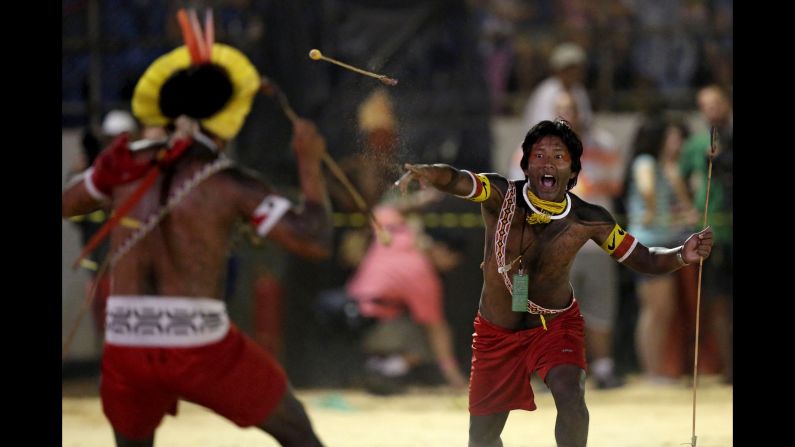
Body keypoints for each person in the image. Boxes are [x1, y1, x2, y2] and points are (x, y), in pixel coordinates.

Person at [62, 17, 330, 447]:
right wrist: (309, 164)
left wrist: (101, 172)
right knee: (299, 435)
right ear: (229, 115)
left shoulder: (127, 166)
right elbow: (312, 239)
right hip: (200, 346)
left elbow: (68, 203)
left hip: (125, 343)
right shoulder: (227, 182)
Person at [395, 119, 713, 447]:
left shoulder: (589, 218)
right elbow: (459, 180)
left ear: (573, 171)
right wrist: (430, 173)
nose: (547, 163)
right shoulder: (500, 195)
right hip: (496, 333)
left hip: (554, 326)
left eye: (558, 157)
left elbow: (642, 258)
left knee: (570, 394)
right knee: (482, 440)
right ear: (526, 165)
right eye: (538, 156)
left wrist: (680, 254)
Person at [344, 204, 469, 394]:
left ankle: (375, 365)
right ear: (442, 250)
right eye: (453, 260)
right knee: (427, 340)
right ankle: (378, 370)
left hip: (347, 309)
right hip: (369, 321)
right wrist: (452, 374)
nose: (451, 267)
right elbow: (436, 329)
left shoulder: (399, 234)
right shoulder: (423, 275)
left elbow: (382, 211)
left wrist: (419, 201)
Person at [624, 115, 696, 384]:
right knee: (654, 309)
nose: (677, 142)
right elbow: (647, 190)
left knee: (663, 309)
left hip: (663, 242)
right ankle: (651, 372)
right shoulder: (646, 162)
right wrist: (652, 208)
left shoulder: (667, 167)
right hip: (647, 244)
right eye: (672, 136)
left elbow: (684, 209)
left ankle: (655, 370)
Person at [679, 84, 732, 384]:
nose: (711, 109)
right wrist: (690, 208)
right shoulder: (697, 143)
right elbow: (679, 173)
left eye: (716, 103)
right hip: (714, 231)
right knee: (718, 302)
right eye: (705, 104)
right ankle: (728, 369)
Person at [522, 42, 593, 132]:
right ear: (559, 69)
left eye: (577, 69)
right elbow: (541, 125)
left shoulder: (579, 90)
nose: (574, 73)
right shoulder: (546, 91)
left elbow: (586, 121)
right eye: (569, 69)